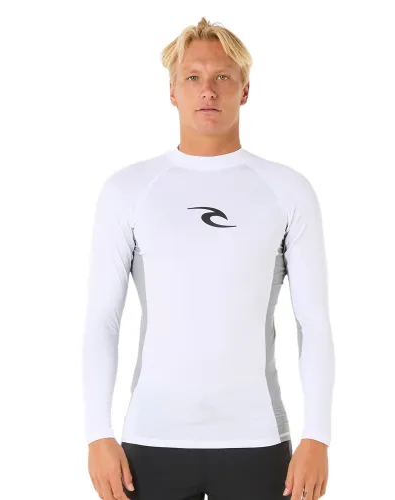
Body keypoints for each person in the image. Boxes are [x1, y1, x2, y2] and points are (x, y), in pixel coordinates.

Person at [82, 16, 335, 500]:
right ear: (172, 92)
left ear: (245, 89)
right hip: (151, 441)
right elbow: (102, 320)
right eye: (193, 77)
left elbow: (314, 322)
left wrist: (317, 436)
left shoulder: (287, 190)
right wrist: (98, 434)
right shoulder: (128, 190)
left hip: (257, 441)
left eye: (222, 76)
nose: (208, 91)